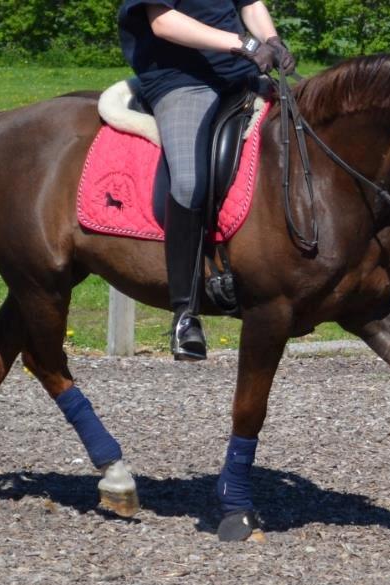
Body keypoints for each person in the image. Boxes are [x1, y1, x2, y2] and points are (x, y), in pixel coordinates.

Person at [118, 0, 295, 361]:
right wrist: (244, 44)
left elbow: (250, 4)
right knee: (187, 181)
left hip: (239, 74)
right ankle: (185, 313)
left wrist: (272, 40)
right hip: (182, 80)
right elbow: (163, 23)